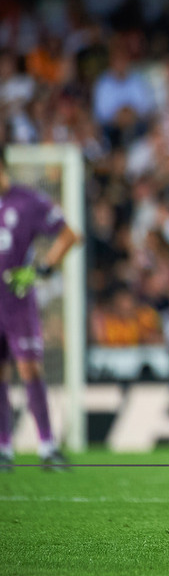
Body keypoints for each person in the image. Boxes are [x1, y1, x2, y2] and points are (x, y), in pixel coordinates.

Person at [0, 148, 81, 472]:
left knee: (29, 369)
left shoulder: (28, 201)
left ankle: (47, 446)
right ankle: (4, 449)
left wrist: (45, 267)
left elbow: (70, 234)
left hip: (17, 302)